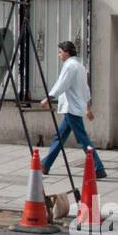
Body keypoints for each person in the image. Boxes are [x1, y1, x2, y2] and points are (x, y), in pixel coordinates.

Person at [40, 40, 106, 180]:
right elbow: (85, 88)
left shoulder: (69, 66)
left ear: (66, 52)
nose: (59, 55)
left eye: (60, 52)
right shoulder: (80, 66)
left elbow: (62, 84)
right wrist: (87, 107)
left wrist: (48, 97)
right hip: (75, 107)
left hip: (71, 107)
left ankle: (98, 168)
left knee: (83, 140)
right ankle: (45, 164)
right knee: (60, 137)